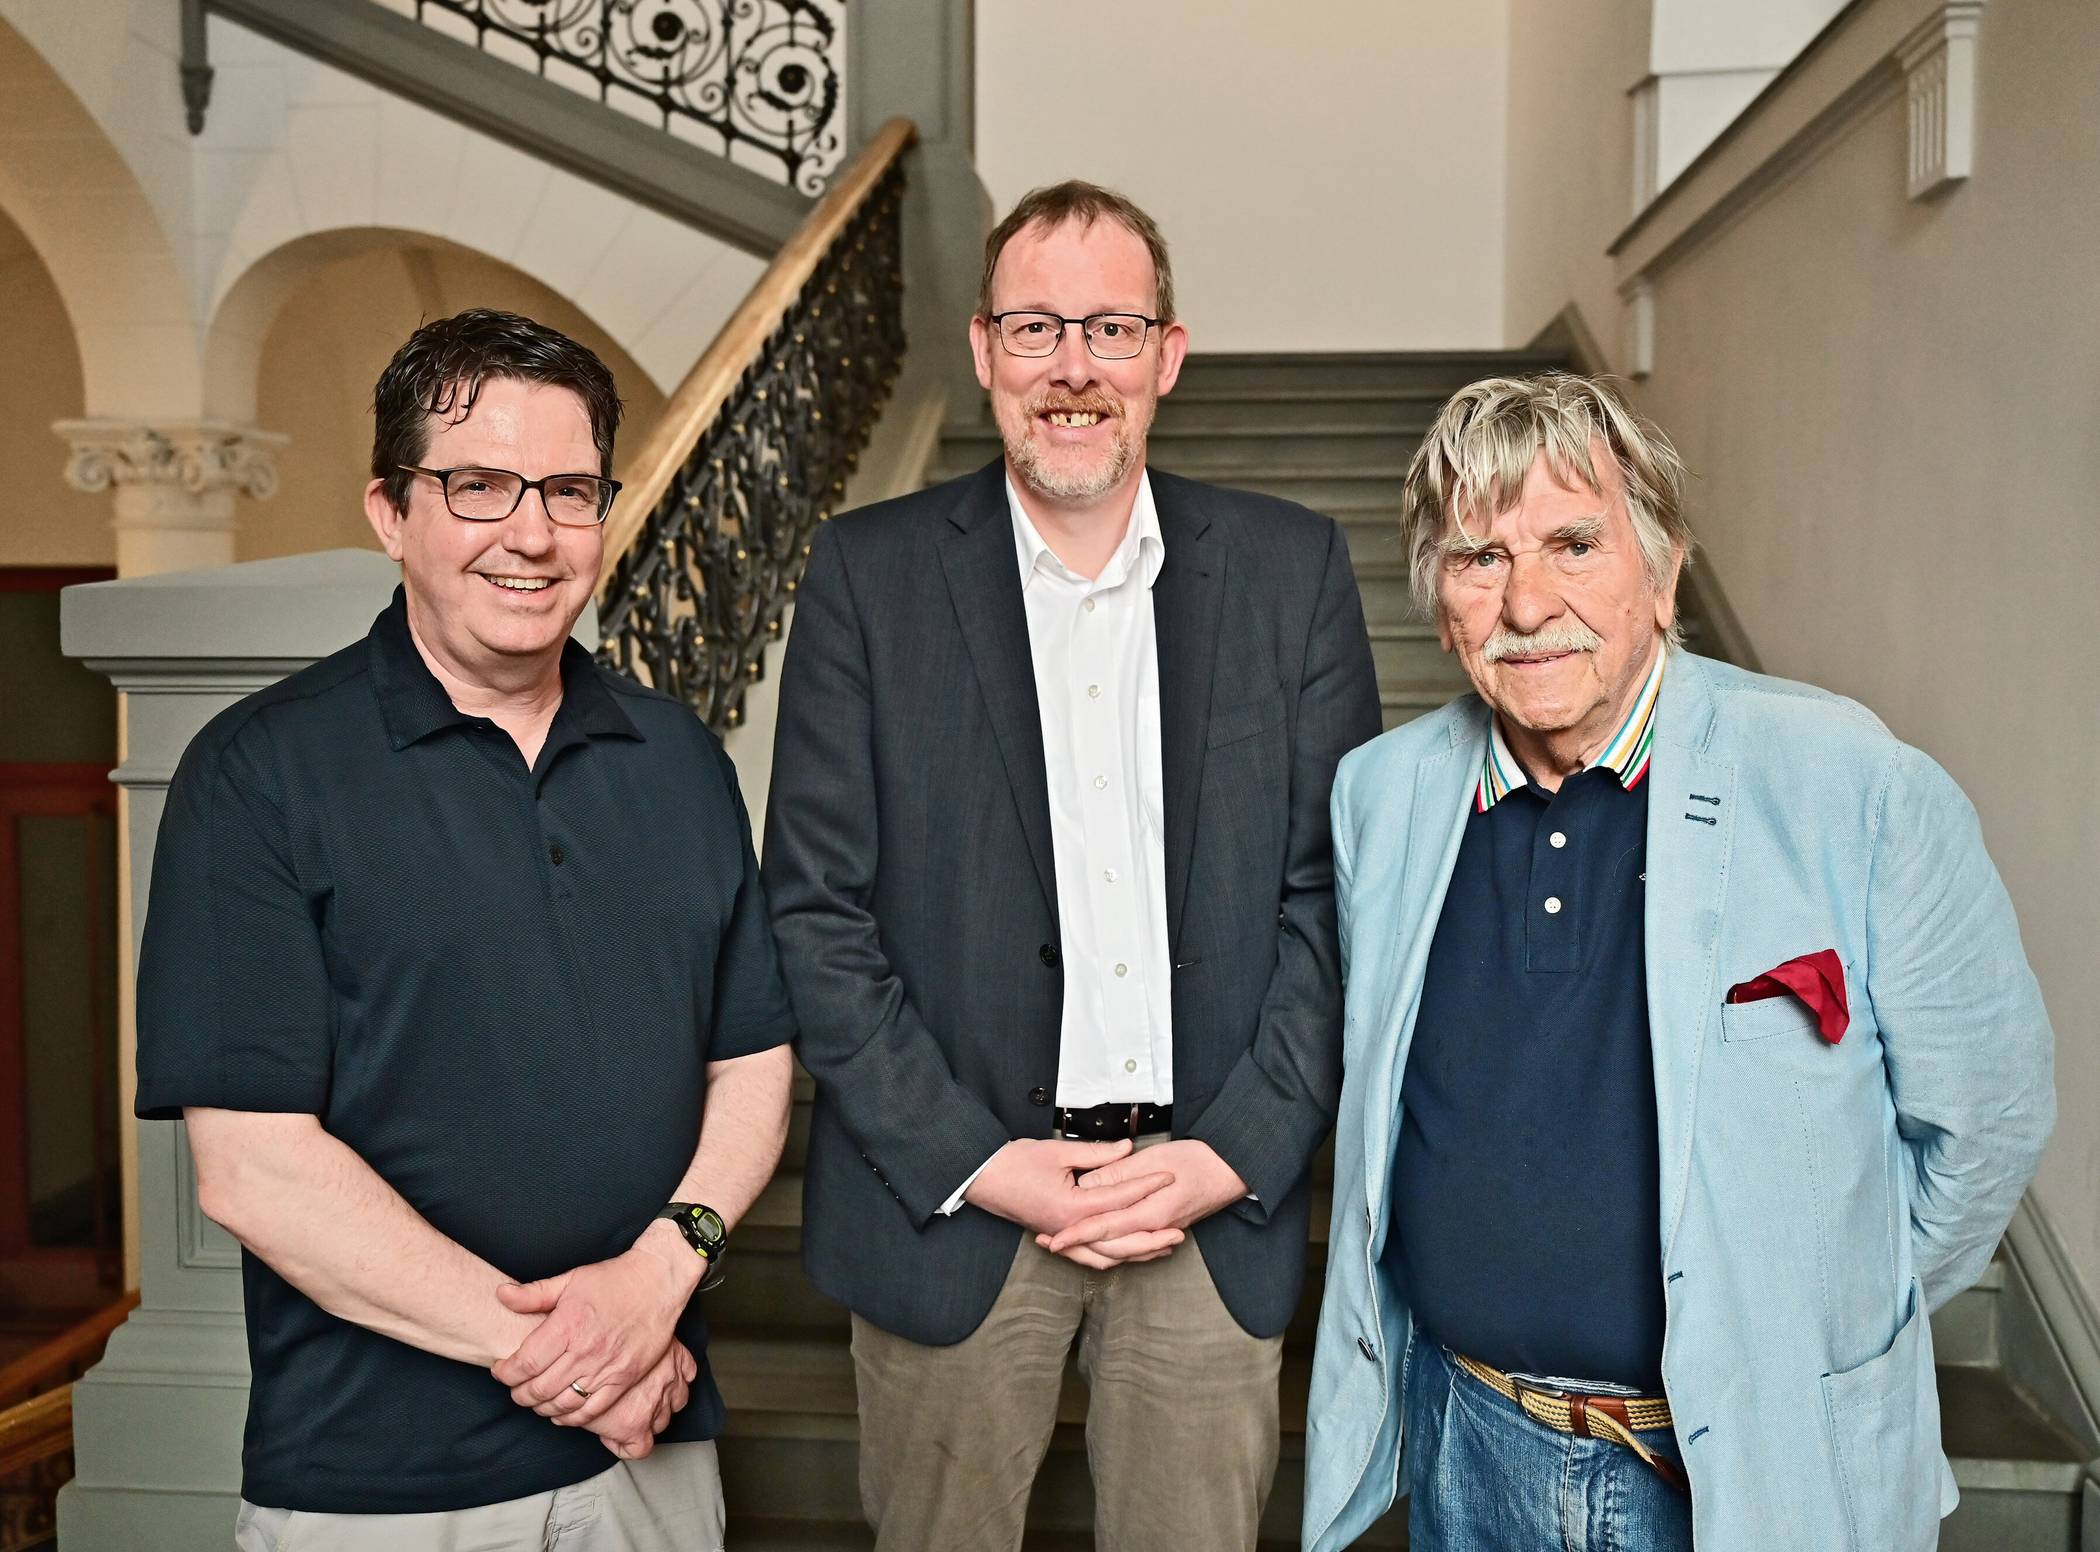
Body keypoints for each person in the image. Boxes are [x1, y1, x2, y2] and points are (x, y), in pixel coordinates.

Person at [1300, 371, 2055, 1552]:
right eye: (1479, 557)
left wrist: (1800, 1316)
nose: (1528, 601)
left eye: (1573, 542)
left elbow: (1988, 1118)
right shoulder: (1380, 795)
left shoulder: (1845, 777)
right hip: (1469, 1441)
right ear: (1440, 602)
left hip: (1749, 1466)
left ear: (1662, 572)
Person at [762, 181, 1381, 1550]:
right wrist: (983, 1160)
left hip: (1206, 1210)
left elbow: (1335, 900)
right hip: (956, 1207)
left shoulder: (1290, 572)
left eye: (1112, 327)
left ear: (1168, 351)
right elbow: (815, 912)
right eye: (1037, 329)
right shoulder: (866, 577)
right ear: (984, 350)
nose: (1075, 370)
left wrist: (1234, 1152)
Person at [134, 309, 796, 1551]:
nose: (533, 534)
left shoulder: (679, 761)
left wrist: (662, 1276)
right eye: (480, 486)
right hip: (376, 1482)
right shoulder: (259, 772)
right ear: (391, 511)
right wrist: (574, 1356)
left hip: (651, 1463)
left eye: (569, 488)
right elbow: (253, 1165)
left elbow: (753, 1057)